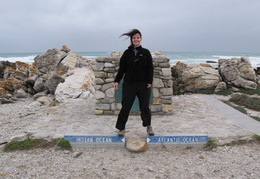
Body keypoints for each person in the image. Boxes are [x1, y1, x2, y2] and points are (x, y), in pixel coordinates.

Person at [114, 29, 154, 137]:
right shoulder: (127, 53)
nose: (136, 39)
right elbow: (122, 69)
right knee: (126, 106)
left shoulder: (145, 52)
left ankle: (148, 126)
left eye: (138, 37)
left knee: (145, 107)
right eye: (134, 38)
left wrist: (149, 81)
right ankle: (121, 128)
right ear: (131, 40)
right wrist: (117, 81)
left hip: (143, 84)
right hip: (129, 84)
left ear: (140, 39)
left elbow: (150, 68)